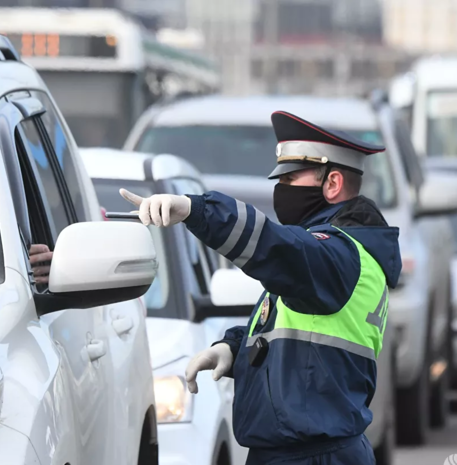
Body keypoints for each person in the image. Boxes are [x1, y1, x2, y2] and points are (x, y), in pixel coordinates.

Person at [119, 111, 401, 465]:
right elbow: (300, 334)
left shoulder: (336, 254)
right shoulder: (334, 254)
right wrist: (234, 349)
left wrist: (197, 210)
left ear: (332, 184)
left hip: (312, 458)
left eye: (291, 178)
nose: (280, 189)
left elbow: (277, 246)